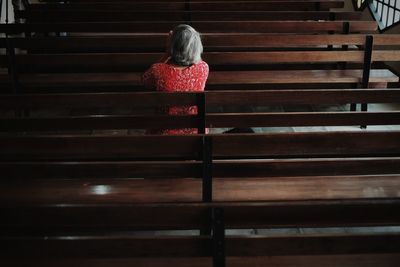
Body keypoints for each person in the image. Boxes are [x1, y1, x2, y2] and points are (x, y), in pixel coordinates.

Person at [142, 24, 209, 134]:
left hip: (164, 132)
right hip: (195, 131)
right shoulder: (203, 68)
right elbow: (195, 58)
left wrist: (167, 52)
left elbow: (145, 82)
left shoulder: (158, 69)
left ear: (172, 46)